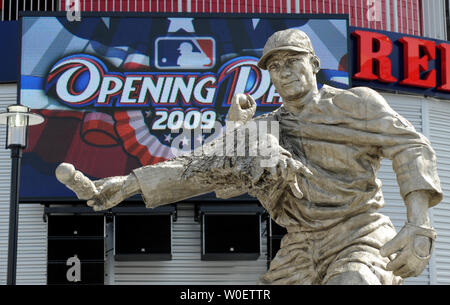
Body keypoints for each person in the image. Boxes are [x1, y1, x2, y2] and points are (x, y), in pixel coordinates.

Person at [59, 29, 442, 285]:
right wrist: (125, 186)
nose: (284, 71)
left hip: (360, 231)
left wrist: (419, 225)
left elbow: (412, 147)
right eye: (275, 66)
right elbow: (200, 168)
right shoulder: (264, 131)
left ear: (313, 63)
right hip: (302, 243)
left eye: (292, 61)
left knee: (353, 281)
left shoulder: (355, 103)